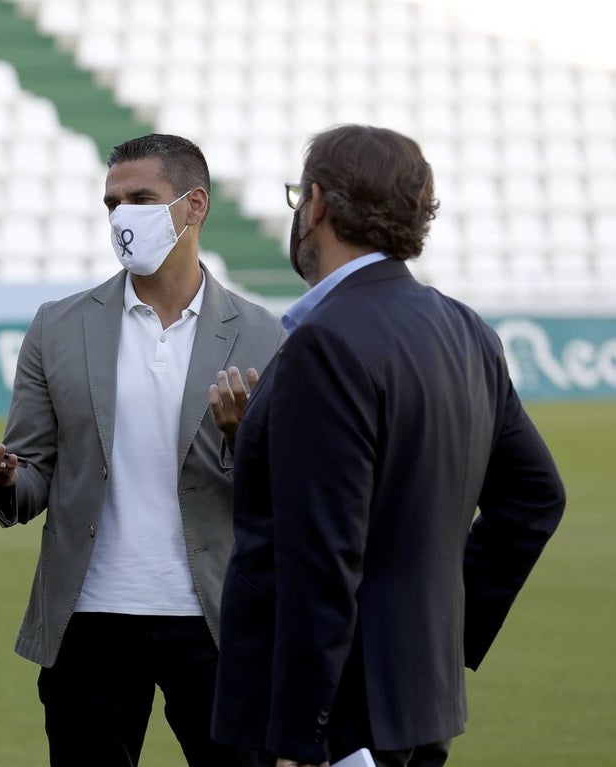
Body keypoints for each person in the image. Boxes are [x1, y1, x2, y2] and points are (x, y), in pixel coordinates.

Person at [210, 124, 567, 767]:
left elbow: (322, 558)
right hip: (418, 701)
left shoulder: (325, 343)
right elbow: (534, 498)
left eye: (299, 199)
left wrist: (300, 739)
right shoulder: (467, 329)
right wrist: (437, 626)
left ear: (317, 204)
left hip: (331, 725)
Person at [0, 133, 286, 767]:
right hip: (90, 622)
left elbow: (286, 499)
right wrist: (0, 476)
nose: (122, 216)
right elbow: (32, 480)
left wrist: (243, 440)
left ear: (196, 207)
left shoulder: (264, 335)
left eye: (141, 198)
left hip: (219, 619)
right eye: (112, 203)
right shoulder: (57, 326)